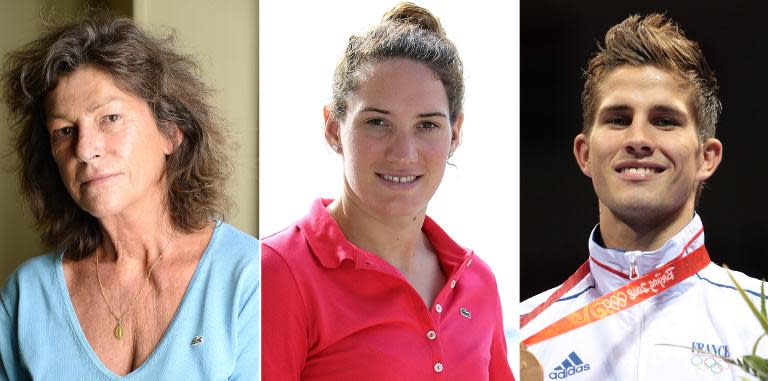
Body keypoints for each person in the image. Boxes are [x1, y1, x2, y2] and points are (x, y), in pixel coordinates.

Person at [0, 13, 259, 380]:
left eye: (110, 118)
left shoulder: (252, 279)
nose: (85, 149)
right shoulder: (26, 296)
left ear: (171, 131)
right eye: (65, 130)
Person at [261, 3, 513, 380]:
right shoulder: (278, 273)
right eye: (377, 122)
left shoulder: (477, 281)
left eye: (427, 125)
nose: (403, 153)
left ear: (455, 134)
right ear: (334, 128)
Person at [520, 13, 767, 380]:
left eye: (665, 120)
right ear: (585, 154)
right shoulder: (523, 335)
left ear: (706, 157)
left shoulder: (760, 324)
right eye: (618, 119)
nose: (638, 139)